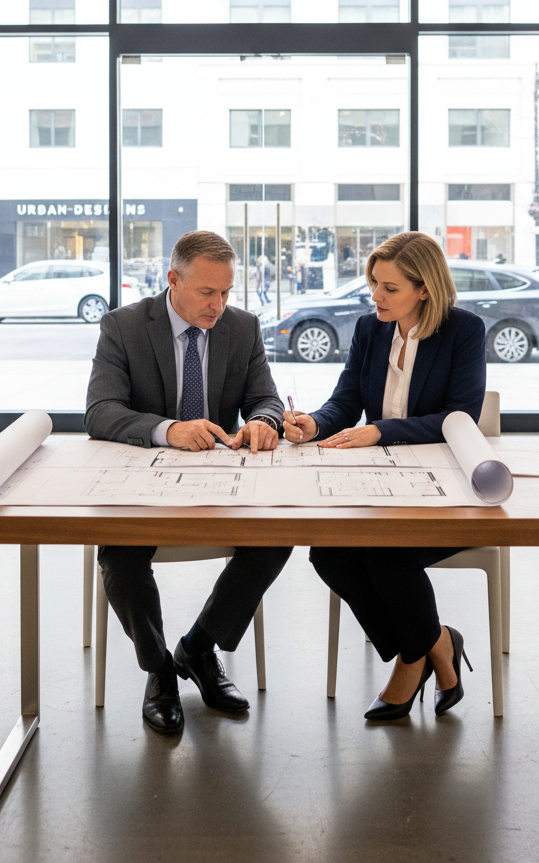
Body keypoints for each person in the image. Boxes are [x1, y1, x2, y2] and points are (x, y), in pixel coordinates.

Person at [84, 230, 292, 736]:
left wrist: (264, 421)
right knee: (120, 551)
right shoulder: (124, 326)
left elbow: (267, 398)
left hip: (220, 484)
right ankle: (159, 671)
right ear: (173, 279)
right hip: (143, 480)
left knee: (277, 537)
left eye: (226, 293)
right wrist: (168, 430)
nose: (218, 306)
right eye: (206, 293)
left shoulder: (242, 328)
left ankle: (197, 648)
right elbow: (100, 411)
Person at [282, 232, 487, 721]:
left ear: (425, 289)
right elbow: (345, 401)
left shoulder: (464, 331)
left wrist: (380, 431)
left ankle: (408, 662)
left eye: (389, 288)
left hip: (446, 490)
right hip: (382, 483)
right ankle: (436, 643)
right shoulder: (370, 330)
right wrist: (314, 423)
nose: (376, 295)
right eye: (374, 283)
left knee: (385, 553)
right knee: (327, 552)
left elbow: (461, 418)